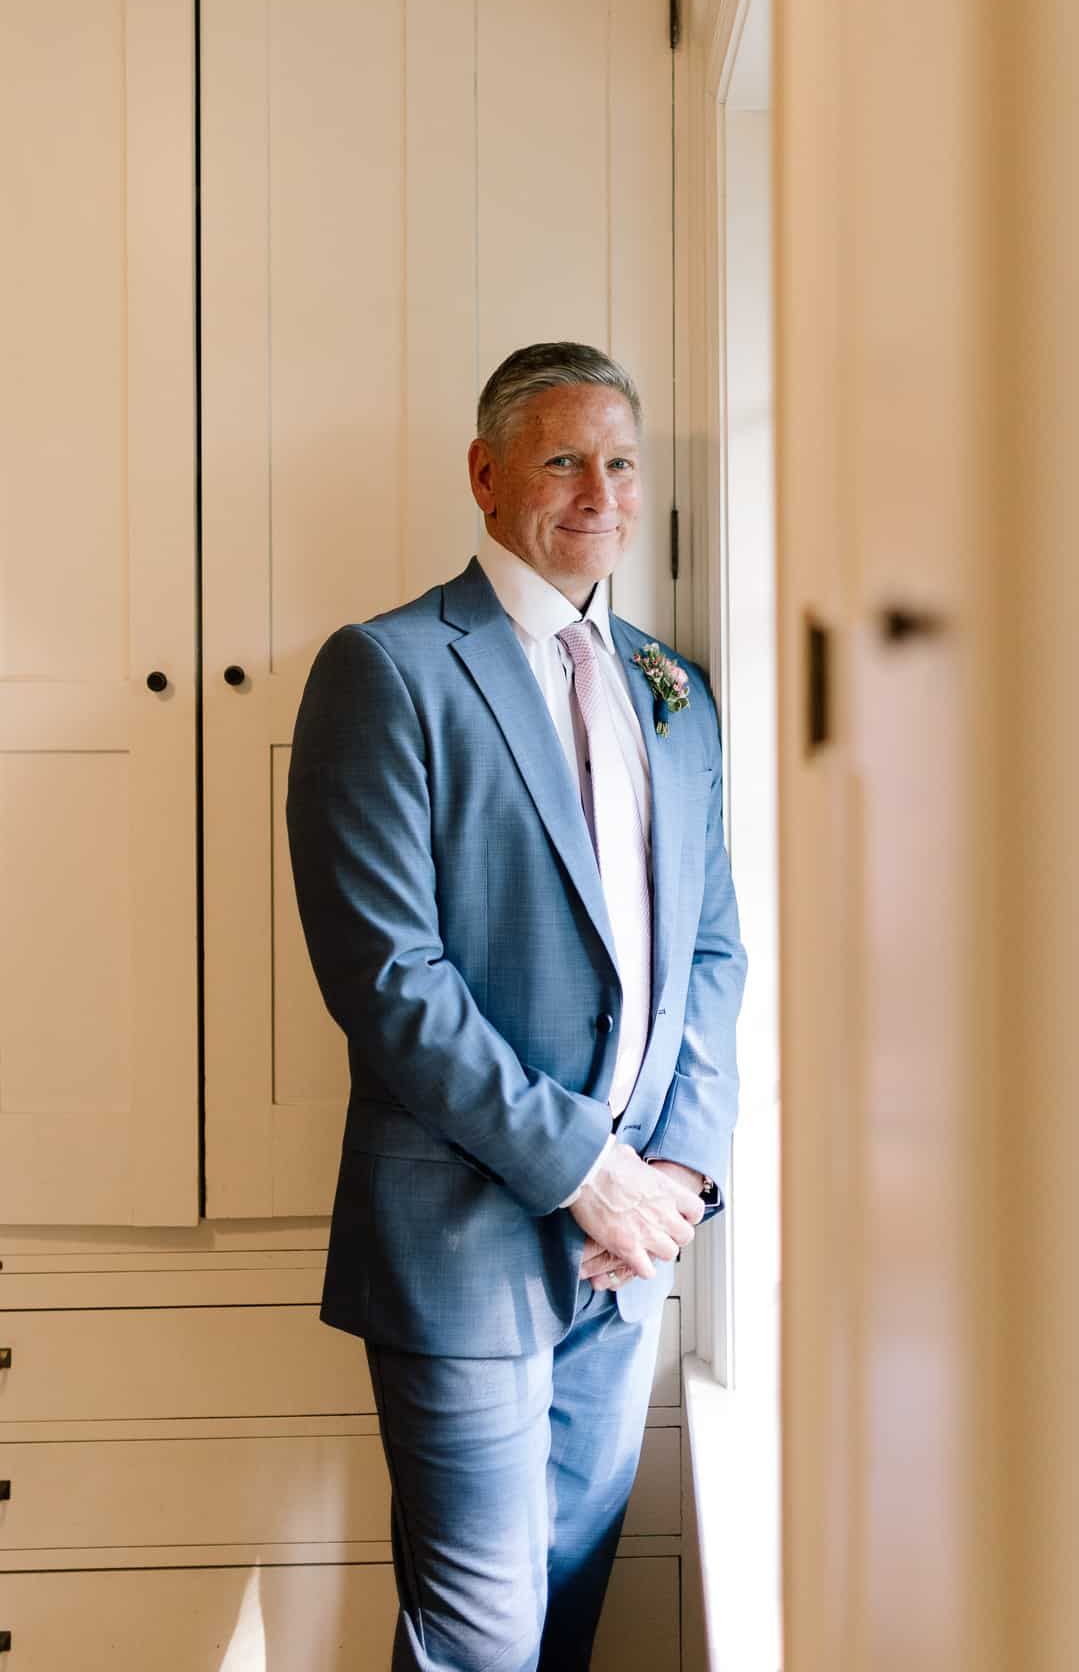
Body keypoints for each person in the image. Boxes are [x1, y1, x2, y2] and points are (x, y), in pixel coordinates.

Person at [285, 340, 747, 1672]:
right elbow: (388, 979)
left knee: (565, 1617)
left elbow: (711, 949)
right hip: (463, 1241)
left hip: (629, 1253)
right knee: (479, 1636)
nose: (600, 494)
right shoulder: (388, 669)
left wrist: (680, 1171)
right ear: (486, 476)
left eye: (621, 464)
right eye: (563, 461)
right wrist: (588, 1173)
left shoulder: (671, 687)